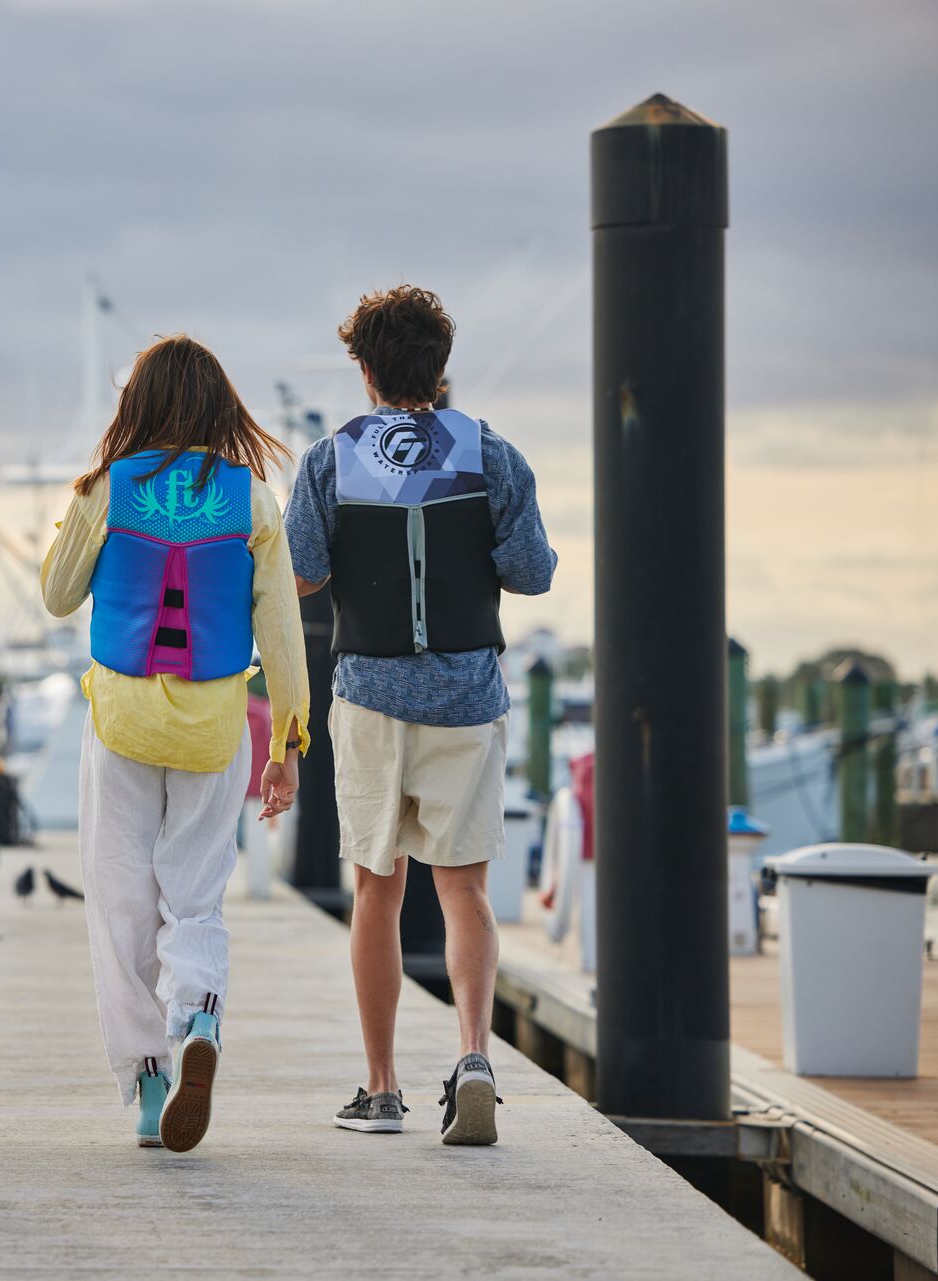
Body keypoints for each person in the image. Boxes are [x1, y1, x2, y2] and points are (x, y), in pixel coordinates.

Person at [284, 285, 556, 1145]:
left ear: (363, 370)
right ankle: (474, 1055)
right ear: (440, 369)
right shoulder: (493, 453)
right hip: (467, 695)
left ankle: (382, 1087)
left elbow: (301, 574)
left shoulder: (330, 459)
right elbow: (531, 572)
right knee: (464, 887)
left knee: (376, 886)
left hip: (368, 693)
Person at [42, 334, 311, 1152]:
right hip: (213, 726)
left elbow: (57, 595)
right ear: (220, 406)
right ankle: (196, 1013)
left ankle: (149, 1079)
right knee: (193, 895)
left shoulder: (107, 490)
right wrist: (286, 743)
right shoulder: (253, 500)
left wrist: (84, 503)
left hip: (121, 722)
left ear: (138, 405)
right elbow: (283, 632)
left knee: (120, 901)